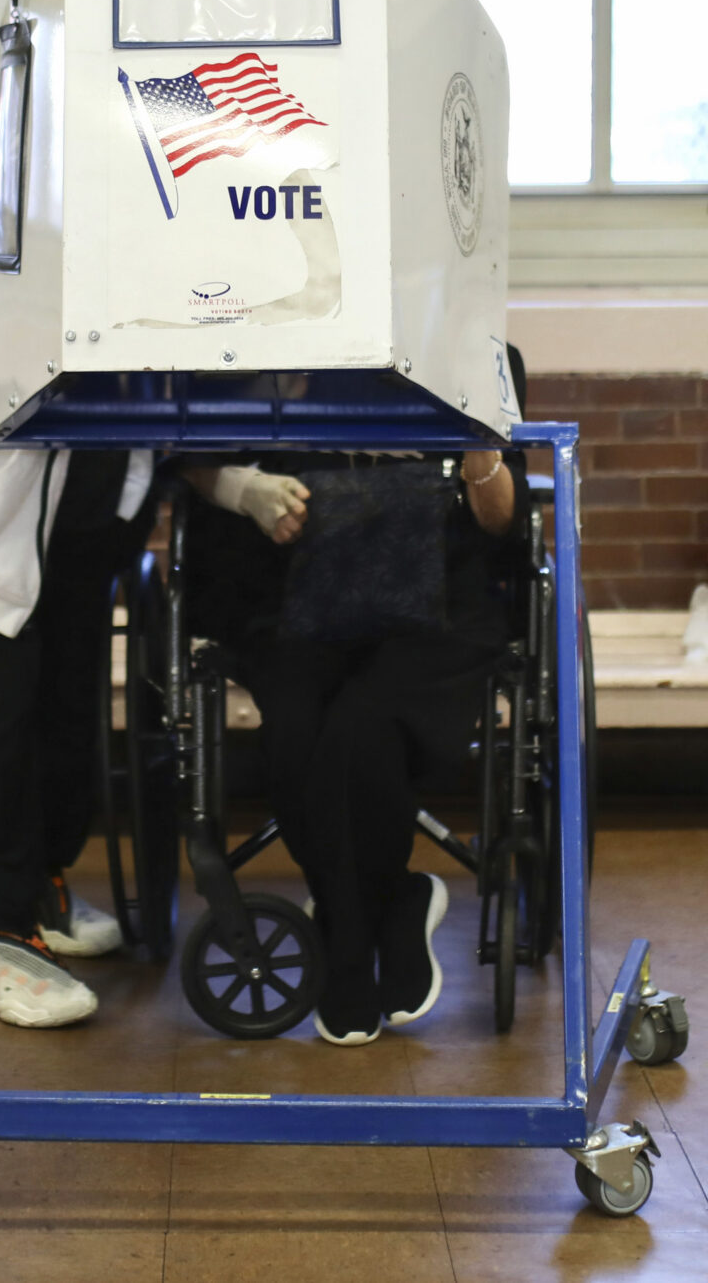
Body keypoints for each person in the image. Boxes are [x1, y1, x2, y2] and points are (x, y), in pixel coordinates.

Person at [0, 158, 155, 1029]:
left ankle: (43, 888)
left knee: (62, 710)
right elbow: (57, 337)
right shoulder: (23, 181)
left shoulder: (108, 173)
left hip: (72, 496)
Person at [183, 425, 525, 1045]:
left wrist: (479, 447)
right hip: (291, 595)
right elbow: (189, 460)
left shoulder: (470, 349)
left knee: (362, 726)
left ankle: (345, 953)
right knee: (295, 732)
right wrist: (245, 489)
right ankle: (392, 904)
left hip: (438, 602)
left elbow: (501, 523)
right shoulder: (268, 352)